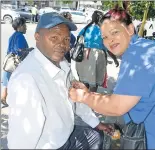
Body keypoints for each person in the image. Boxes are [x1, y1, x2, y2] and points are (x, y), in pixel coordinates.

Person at [69, 5, 155, 149]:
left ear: (130, 29)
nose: (110, 40)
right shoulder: (143, 48)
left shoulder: (140, 55)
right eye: (105, 37)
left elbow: (116, 106)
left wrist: (83, 97)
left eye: (114, 32)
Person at [6, 12, 113, 149]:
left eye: (66, 40)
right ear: (37, 37)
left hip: (65, 135)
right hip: (50, 145)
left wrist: (96, 123)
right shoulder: (26, 80)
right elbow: (21, 140)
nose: (62, 45)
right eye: (54, 37)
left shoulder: (62, 64)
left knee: (97, 136)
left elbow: (76, 100)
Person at [76, 10, 118, 92]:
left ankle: (84, 99)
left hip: (84, 55)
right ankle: (91, 99)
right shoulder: (102, 30)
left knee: (85, 80)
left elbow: (78, 40)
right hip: (97, 56)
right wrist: (115, 59)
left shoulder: (86, 28)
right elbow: (108, 47)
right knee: (94, 82)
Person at [1, 17, 29, 108]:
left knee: (6, 81)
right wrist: (29, 50)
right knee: (17, 82)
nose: (26, 27)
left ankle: (3, 98)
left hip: (8, 62)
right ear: (20, 26)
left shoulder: (12, 36)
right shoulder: (20, 36)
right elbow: (20, 51)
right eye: (24, 25)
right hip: (16, 64)